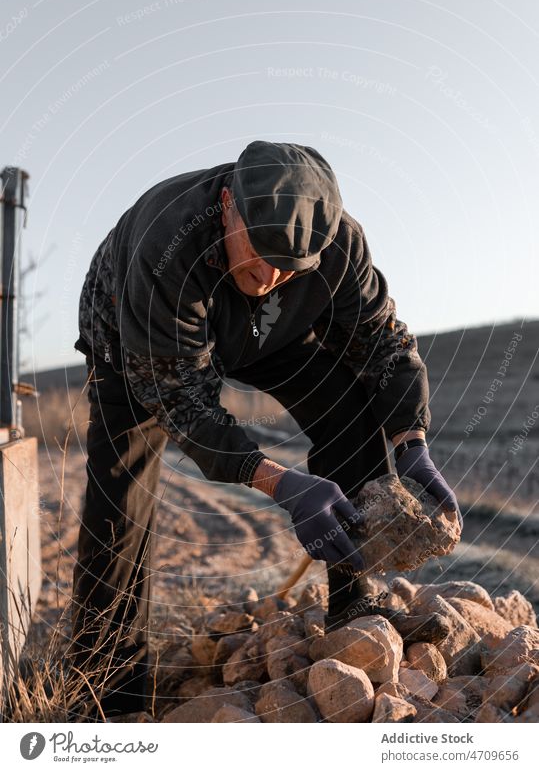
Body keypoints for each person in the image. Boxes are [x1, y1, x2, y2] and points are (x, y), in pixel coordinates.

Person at [69, 140, 462, 716]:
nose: (270, 274)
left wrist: (412, 440)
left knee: (352, 408)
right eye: (259, 251)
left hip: (268, 332)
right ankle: (105, 690)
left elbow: (382, 347)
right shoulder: (166, 240)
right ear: (228, 204)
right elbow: (181, 402)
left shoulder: (337, 247)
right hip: (138, 337)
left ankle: (355, 605)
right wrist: (278, 482)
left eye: (291, 267)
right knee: (120, 500)